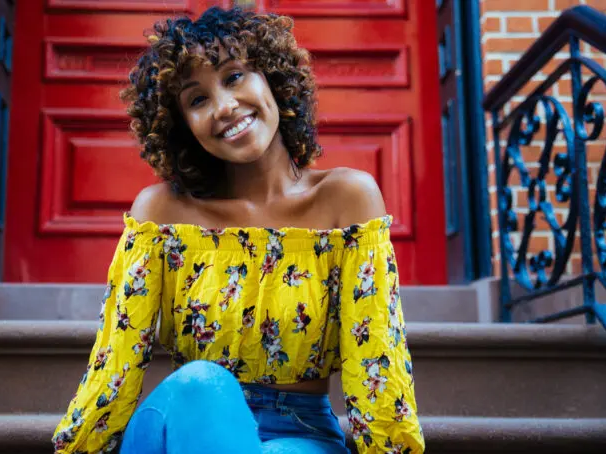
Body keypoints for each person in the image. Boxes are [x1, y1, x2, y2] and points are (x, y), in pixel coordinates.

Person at [52, 6, 424, 454]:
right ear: (183, 126)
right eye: (197, 99)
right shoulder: (162, 213)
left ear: (272, 78)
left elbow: (375, 363)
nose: (224, 107)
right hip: (183, 419)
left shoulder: (347, 200)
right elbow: (117, 360)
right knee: (200, 384)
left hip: (299, 431)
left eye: (234, 77)